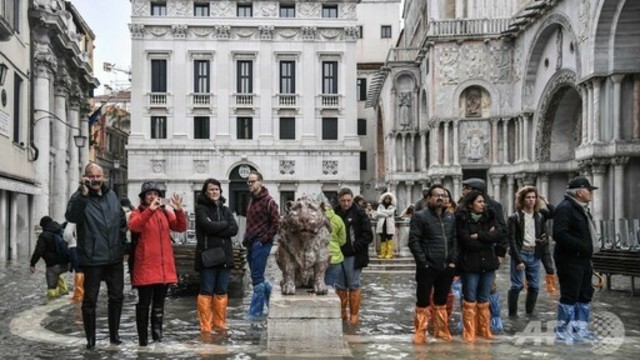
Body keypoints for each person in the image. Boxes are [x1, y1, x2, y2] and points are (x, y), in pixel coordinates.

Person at [65, 163, 127, 349]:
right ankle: (90, 339)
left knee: (117, 297)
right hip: (92, 258)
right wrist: (82, 195)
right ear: (85, 177)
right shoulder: (79, 197)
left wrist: (123, 247)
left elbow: (122, 222)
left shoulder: (112, 196)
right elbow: (72, 216)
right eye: (91, 176)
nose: (95, 179)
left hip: (114, 257)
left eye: (98, 176)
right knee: (90, 300)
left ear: (104, 177)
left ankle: (114, 335)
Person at [128, 181, 187, 346]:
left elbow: (181, 227)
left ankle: (157, 337)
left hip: (163, 269)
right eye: (149, 194)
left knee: (159, 305)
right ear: (143, 198)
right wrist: (149, 211)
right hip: (146, 268)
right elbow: (135, 227)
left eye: (155, 194)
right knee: (144, 304)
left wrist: (178, 210)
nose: (153, 197)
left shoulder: (166, 214)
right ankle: (143, 339)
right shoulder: (137, 213)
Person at [408, 185, 457, 344]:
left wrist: (453, 261)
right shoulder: (420, 216)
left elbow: (455, 240)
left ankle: (441, 331)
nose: (440, 198)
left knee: (441, 300)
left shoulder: (451, 217)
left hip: (446, 266)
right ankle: (420, 333)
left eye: (443, 195)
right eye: (436, 195)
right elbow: (413, 241)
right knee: (422, 300)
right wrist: (423, 262)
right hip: (427, 266)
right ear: (429, 198)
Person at [456, 190, 507, 342]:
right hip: (470, 264)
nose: (483, 204)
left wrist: (479, 235)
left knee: (484, 298)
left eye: (483, 201)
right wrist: (487, 237)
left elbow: (499, 234)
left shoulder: (490, 216)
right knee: (470, 297)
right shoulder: (462, 218)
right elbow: (466, 241)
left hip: (488, 263)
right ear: (471, 204)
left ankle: (484, 330)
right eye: (479, 202)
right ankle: (470, 330)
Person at [553, 176, 598, 343]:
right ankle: (563, 330)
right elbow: (559, 234)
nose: (591, 193)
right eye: (589, 190)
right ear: (579, 192)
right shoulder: (565, 208)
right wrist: (582, 246)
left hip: (584, 260)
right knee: (570, 294)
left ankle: (581, 328)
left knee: (584, 294)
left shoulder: (581, 208)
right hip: (570, 260)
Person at [194, 178, 239, 333]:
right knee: (206, 290)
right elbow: (206, 226)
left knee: (221, 290)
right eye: (211, 189)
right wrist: (223, 225)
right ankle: (206, 326)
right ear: (206, 192)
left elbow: (234, 229)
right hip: (207, 257)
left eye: (217, 189)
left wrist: (217, 227)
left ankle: (219, 323)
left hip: (225, 256)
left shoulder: (225, 210)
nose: (214, 192)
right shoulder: (201, 209)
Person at [507, 186, 553, 317]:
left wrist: (546, 201)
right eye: (528, 197)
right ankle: (512, 314)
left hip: (534, 254)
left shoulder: (540, 216)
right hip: (520, 253)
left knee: (534, 286)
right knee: (517, 285)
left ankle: (529, 313)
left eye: (533, 197)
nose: (531, 200)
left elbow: (553, 213)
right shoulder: (514, 218)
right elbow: (512, 240)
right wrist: (518, 260)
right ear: (522, 199)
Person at [334, 188, 374, 325]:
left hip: (354, 255)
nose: (346, 203)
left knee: (354, 285)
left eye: (348, 200)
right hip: (338, 255)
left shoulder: (360, 213)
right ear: (339, 200)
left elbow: (368, 235)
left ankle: (354, 315)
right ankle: (342, 314)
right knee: (339, 286)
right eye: (343, 201)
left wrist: (355, 246)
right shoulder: (335, 212)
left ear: (352, 199)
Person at [243, 171, 280, 320]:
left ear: (260, 182)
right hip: (251, 243)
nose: (250, 184)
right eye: (248, 182)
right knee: (257, 275)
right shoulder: (252, 200)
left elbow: (276, 223)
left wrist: (263, 240)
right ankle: (272, 302)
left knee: (257, 278)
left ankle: (254, 313)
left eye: (252, 181)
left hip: (261, 244)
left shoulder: (269, 201)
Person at [30, 216, 69, 299]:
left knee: (52, 288)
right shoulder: (60, 230)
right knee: (59, 275)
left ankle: (53, 302)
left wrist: (32, 263)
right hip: (67, 263)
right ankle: (65, 294)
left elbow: (39, 251)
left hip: (53, 265)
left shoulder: (44, 236)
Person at [319, 194, 347, 288]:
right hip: (335, 258)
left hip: (318, 259)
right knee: (329, 287)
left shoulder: (315, 220)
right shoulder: (338, 219)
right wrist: (334, 243)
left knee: (316, 287)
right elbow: (342, 241)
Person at [63, 222, 83, 302]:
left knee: (78, 270)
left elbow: (67, 234)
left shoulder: (73, 218)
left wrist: (71, 241)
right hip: (89, 246)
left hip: (75, 246)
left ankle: (79, 294)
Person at [376, 192, 397, 259]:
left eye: (388, 199)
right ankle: (382, 253)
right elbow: (378, 213)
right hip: (382, 224)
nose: (387, 200)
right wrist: (386, 214)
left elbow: (391, 212)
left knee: (389, 238)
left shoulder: (392, 206)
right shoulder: (380, 206)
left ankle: (389, 253)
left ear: (390, 200)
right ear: (384, 199)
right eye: (386, 198)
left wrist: (383, 212)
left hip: (389, 224)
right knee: (382, 238)